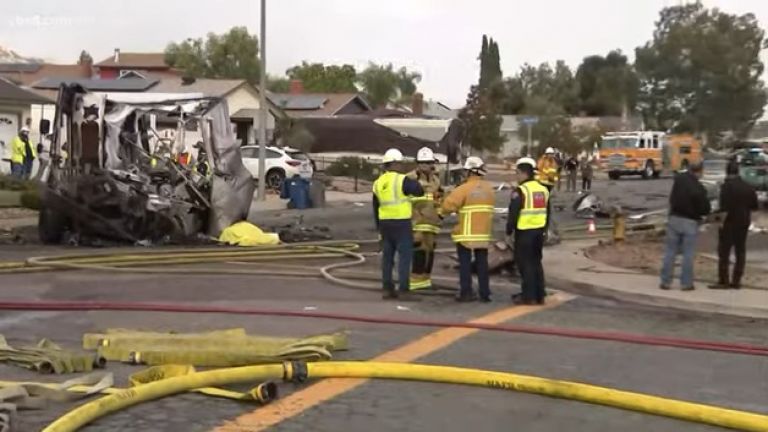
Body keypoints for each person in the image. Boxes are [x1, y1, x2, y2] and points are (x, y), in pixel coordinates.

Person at [440, 156, 495, 302]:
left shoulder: (463, 189)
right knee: (482, 264)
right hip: (483, 234)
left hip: (466, 234)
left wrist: (441, 211)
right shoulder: (489, 189)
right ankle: (485, 293)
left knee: (465, 264)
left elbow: (447, 206)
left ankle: (466, 292)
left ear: (470, 172)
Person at [372, 148, 424, 300]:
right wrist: (417, 178)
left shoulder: (378, 183)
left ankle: (387, 289)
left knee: (387, 258)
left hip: (384, 224)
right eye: (400, 163)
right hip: (401, 223)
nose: (401, 166)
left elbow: (375, 207)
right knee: (404, 258)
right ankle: (404, 290)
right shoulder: (402, 180)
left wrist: (378, 229)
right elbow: (419, 190)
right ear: (395, 163)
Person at [660, 162, 711, 291]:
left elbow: (672, 199)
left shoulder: (679, 180)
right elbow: (705, 209)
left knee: (670, 252)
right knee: (688, 254)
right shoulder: (699, 188)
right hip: (690, 222)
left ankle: (665, 281)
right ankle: (686, 283)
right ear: (699, 172)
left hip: (674, 218)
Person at [507, 157, 550, 305]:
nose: (517, 177)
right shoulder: (543, 189)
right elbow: (548, 212)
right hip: (539, 232)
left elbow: (514, 213)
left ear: (523, 173)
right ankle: (540, 294)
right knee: (536, 263)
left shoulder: (521, 191)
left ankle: (528, 296)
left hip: (524, 232)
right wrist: (545, 230)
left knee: (525, 265)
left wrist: (508, 232)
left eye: (517, 173)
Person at [710, 160, 758, 290]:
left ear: (727, 172)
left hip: (729, 223)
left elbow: (724, 208)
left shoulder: (726, 187)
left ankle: (723, 280)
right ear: (738, 171)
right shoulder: (748, 187)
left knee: (724, 252)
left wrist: (719, 223)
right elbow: (754, 206)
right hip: (743, 222)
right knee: (740, 251)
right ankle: (736, 281)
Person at [407, 147, 443, 290]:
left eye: (427, 163)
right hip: (417, 222)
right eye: (422, 163)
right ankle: (415, 281)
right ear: (417, 163)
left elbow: (439, 198)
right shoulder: (410, 178)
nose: (425, 165)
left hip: (432, 223)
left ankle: (426, 280)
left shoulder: (435, 180)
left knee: (430, 252)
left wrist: (440, 214)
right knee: (419, 251)